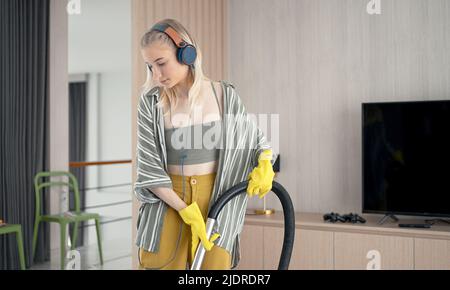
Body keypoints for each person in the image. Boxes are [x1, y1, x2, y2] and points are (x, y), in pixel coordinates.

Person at [134, 19, 277, 270]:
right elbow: (149, 170)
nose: (156, 75)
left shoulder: (224, 95)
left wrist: (265, 164)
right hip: (168, 203)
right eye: (149, 67)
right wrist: (183, 209)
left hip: (218, 201)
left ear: (186, 53)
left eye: (161, 64)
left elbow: (258, 141)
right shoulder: (150, 103)